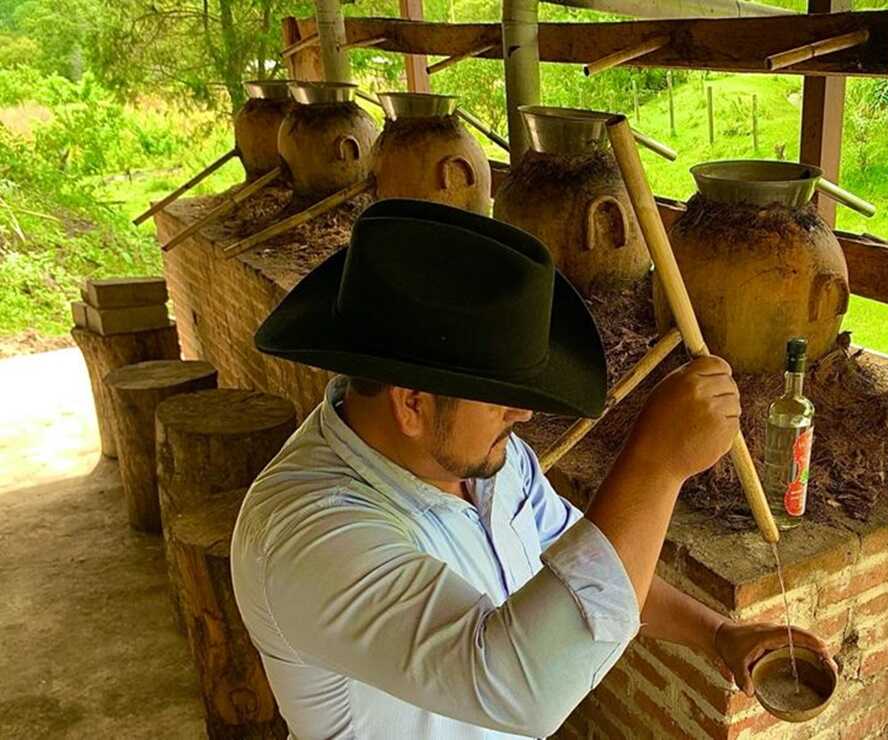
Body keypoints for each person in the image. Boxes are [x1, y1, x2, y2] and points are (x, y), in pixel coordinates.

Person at [230, 199, 833, 739]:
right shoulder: (305, 535)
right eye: (497, 395)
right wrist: (656, 463)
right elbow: (519, 689)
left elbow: (586, 565)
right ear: (410, 403)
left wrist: (715, 633)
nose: (522, 413)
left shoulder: (485, 456)